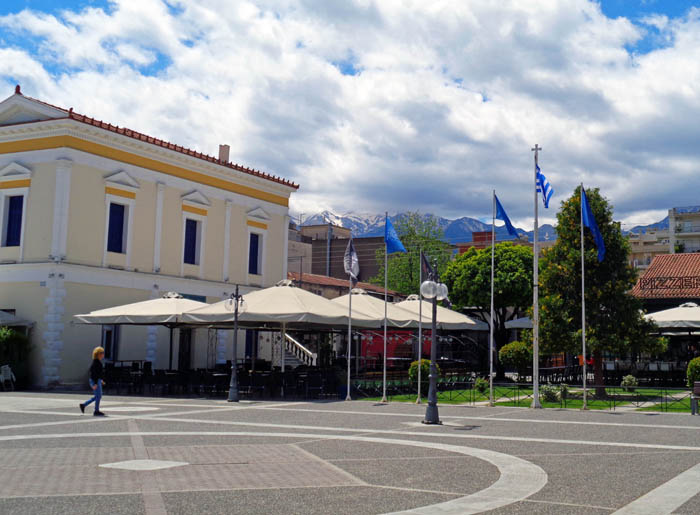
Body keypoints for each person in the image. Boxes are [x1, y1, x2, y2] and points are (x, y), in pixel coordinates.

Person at [80, 346, 106, 416]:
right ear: (98, 354)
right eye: (102, 353)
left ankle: (84, 405)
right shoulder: (97, 363)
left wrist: (100, 380)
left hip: (96, 381)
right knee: (98, 396)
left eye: (103, 352)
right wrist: (95, 383)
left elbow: (97, 374)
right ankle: (96, 411)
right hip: (95, 381)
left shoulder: (97, 362)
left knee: (98, 396)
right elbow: (94, 374)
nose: (103, 354)